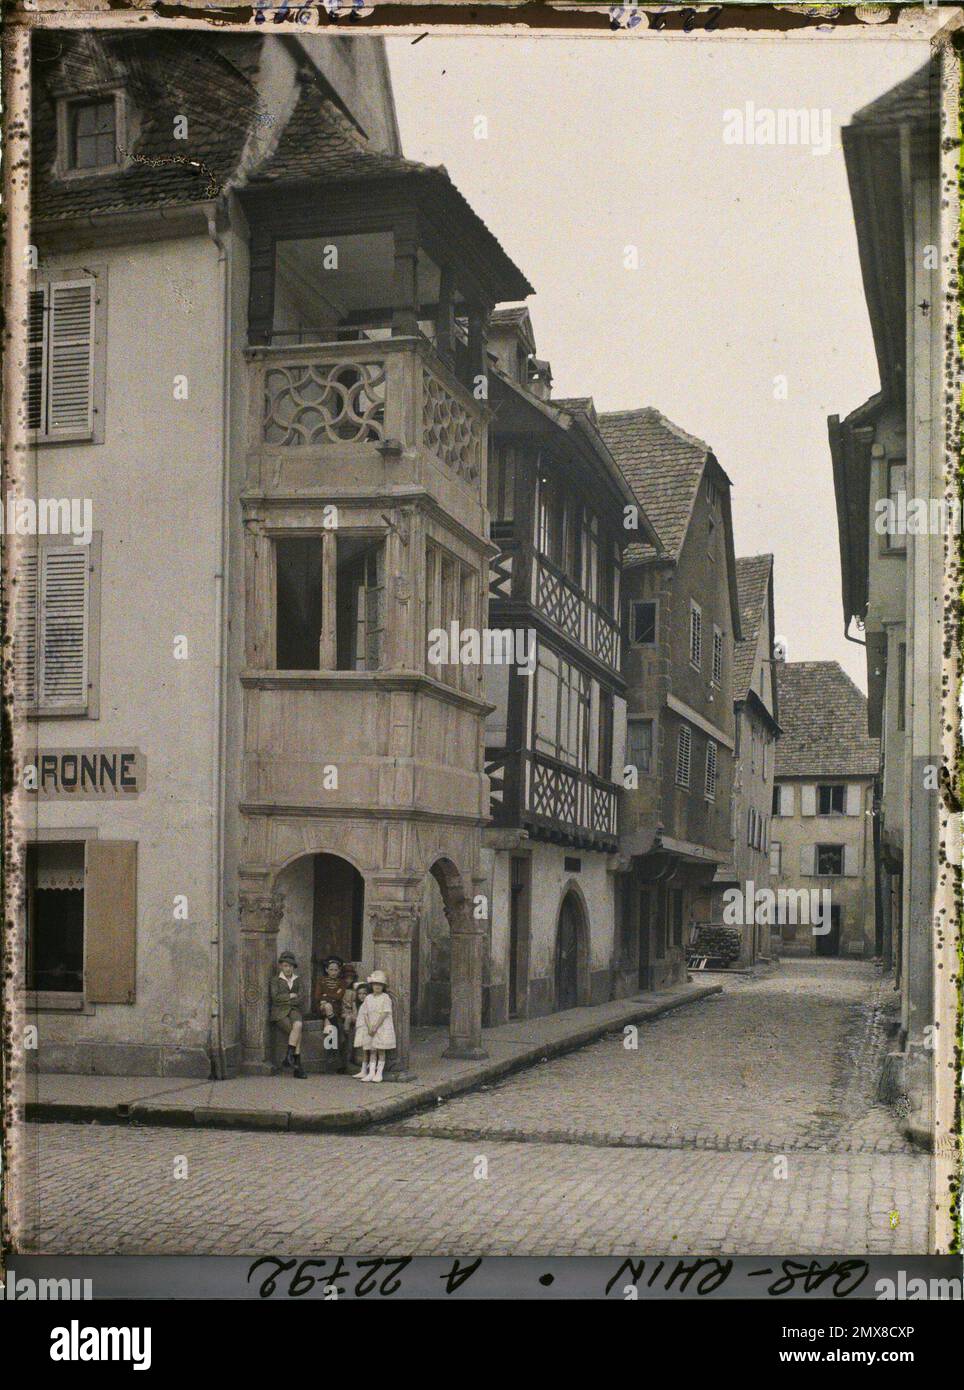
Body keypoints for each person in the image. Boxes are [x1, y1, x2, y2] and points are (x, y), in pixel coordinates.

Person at [353, 970, 396, 1082]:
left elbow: (384, 1013)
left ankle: (379, 1073)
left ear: (383, 986)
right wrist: (369, 1026)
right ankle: (371, 1073)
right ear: (371, 986)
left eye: (380, 985)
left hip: (381, 1027)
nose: (377, 987)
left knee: (381, 1050)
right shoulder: (368, 998)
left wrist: (376, 1026)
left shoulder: (385, 997)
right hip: (370, 1027)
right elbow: (365, 1013)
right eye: (375, 984)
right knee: (372, 1050)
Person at [270, 951, 306, 1078]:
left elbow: (301, 997)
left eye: (290, 966)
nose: (288, 968)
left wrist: (290, 1000)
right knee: (296, 1032)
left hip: (294, 1010)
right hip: (279, 1012)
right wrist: (290, 996)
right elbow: (275, 997)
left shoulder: (298, 980)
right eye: (285, 966)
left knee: (298, 1024)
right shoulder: (276, 980)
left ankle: (289, 1056)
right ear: (281, 966)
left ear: (293, 967)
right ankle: (297, 1065)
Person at [314, 955, 349, 1073]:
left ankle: (331, 1055)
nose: (333, 972)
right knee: (328, 1006)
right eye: (331, 969)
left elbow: (339, 996)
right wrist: (328, 998)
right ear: (326, 970)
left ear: (339, 971)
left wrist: (326, 996)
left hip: (335, 1011)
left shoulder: (342, 983)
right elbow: (318, 996)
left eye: (336, 970)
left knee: (329, 1028)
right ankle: (337, 1029)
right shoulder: (321, 981)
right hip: (323, 1008)